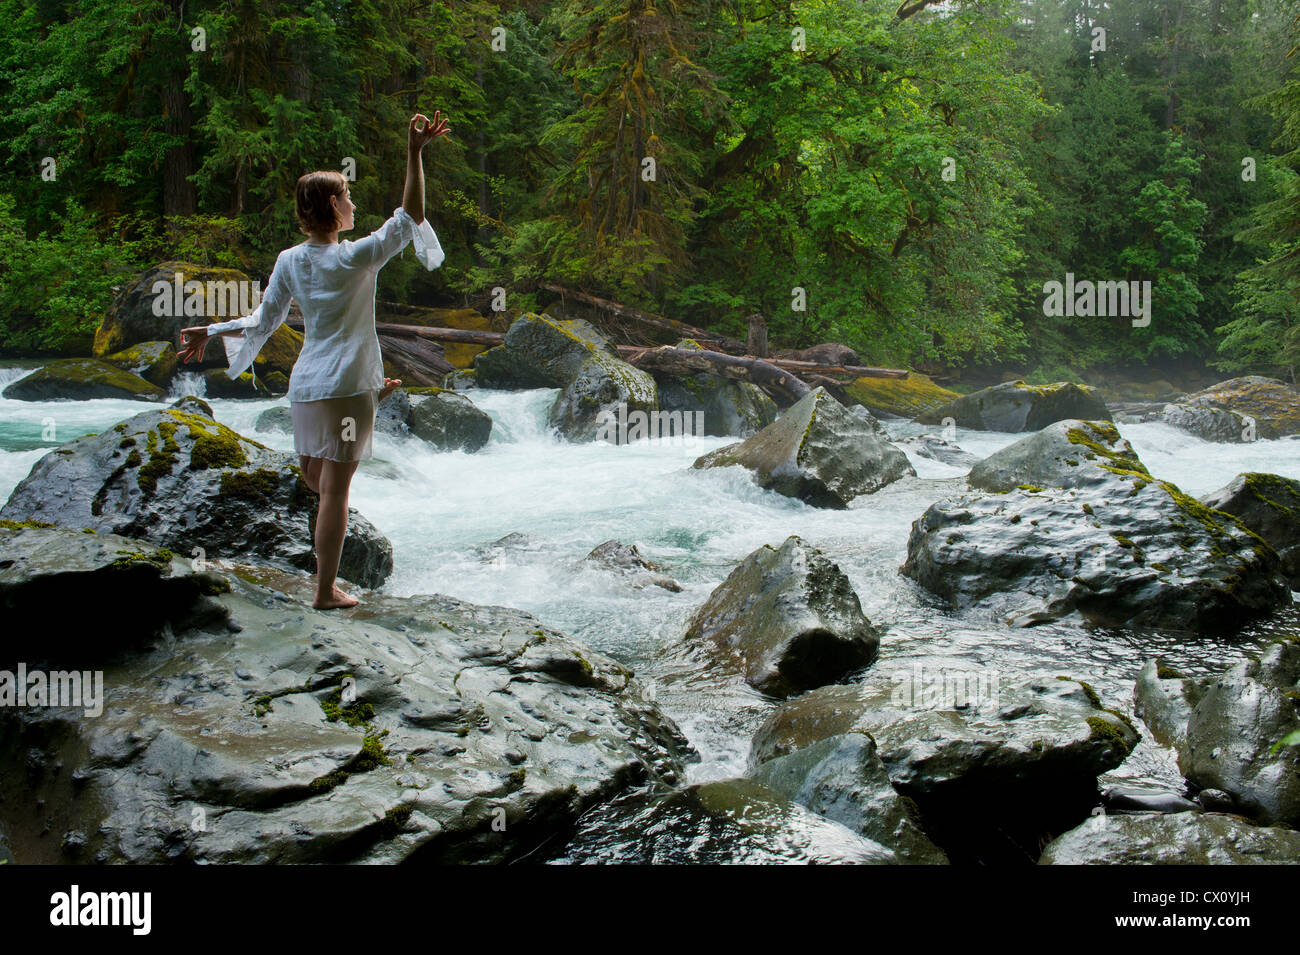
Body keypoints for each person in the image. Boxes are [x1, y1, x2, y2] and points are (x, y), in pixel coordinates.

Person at [179, 111, 452, 609]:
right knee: (334, 492)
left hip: (307, 387)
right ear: (332, 203)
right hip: (346, 387)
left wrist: (212, 329)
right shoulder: (355, 257)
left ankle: (325, 584)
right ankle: (325, 592)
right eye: (347, 196)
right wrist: (414, 153)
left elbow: (263, 320)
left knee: (315, 480)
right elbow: (410, 216)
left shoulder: (290, 260)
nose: (353, 202)